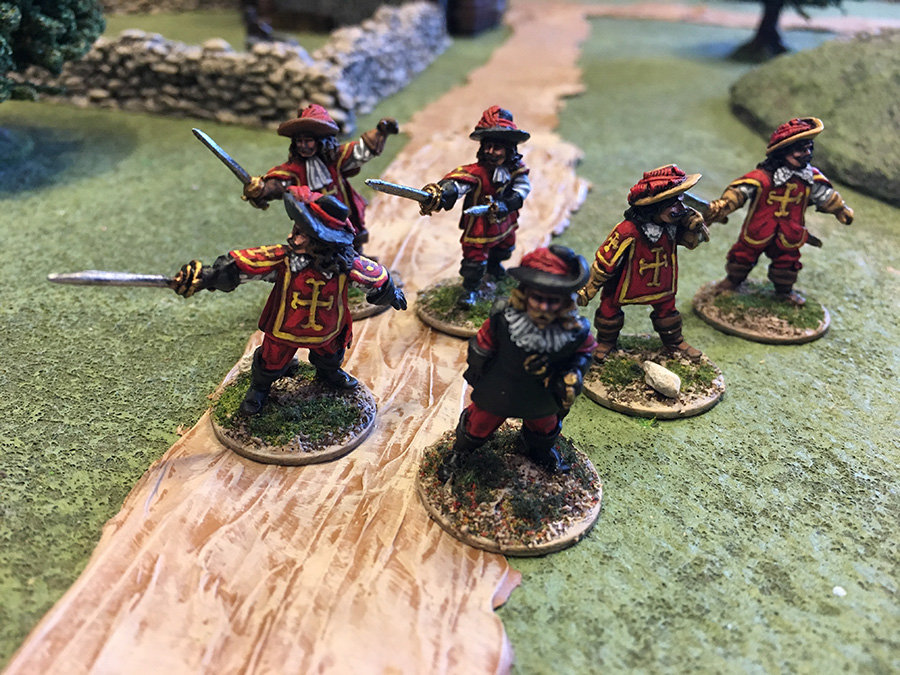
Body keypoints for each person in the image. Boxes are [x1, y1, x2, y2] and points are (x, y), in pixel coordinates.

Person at [174, 185, 406, 415]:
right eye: (295, 230)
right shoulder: (282, 259)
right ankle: (259, 388)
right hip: (285, 326)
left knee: (331, 354)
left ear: (320, 241)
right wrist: (207, 276)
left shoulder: (345, 264)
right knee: (271, 359)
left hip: (328, 325)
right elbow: (246, 264)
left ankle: (328, 373)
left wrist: (391, 293)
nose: (291, 237)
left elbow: (374, 276)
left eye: (301, 234)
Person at [439, 246, 596, 481]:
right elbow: (483, 342)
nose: (544, 307)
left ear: (564, 302)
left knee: (545, 427)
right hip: (501, 386)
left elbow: (585, 351)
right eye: (538, 298)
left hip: (542, 391)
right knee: (478, 423)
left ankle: (539, 452)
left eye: (553, 301)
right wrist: (477, 368)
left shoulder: (574, 331)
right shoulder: (504, 319)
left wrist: (573, 373)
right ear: (525, 294)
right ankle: (460, 454)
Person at [704, 117, 854, 305]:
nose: (806, 153)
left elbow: (825, 195)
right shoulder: (761, 178)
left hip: (790, 231)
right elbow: (739, 193)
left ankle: (784, 291)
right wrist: (722, 207)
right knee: (742, 256)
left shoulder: (810, 178)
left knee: (787, 262)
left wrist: (840, 209)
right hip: (758, 229)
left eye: (809, 148)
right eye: (801, 149)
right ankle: (732, 281)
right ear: (784, 151)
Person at [576, 164, 709, 361]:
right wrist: (591, 286)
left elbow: (692, 243)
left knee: (667, 310)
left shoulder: (673, 226)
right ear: (655, 207)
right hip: (625, 281)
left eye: (680, 202)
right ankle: (606, 342)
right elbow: (607, 259)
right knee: (609, 308)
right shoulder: (627, 230)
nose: (680, 209)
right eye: (673, 204)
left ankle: (675, 342)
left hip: (662, 281)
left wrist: (695, 228)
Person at [243, 104, 399, 253]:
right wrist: (262, 189)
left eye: (308, 141)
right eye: (299, 141)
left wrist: (381, 132)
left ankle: (356, 260)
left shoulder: (335, 158)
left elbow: (359, 152)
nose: (303, 145)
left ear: (320, 141)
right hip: (314, 218)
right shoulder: (294, 169)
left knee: (352, 240)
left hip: (343, 213)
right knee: (314, 246)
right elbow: (279, 182)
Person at [420, 105, 532, 308]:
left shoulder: (516, 169)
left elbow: (523, 187)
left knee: (504, 247)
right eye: (487, 146)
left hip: (505, 218)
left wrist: (509, 203)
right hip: (480, 224)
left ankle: (495, 267)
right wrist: (444, 192)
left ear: (509, 149)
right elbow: (459, 184)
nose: (491, 152)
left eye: (497, 147)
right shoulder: (476, 172)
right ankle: (470, 289)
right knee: (474, 257)